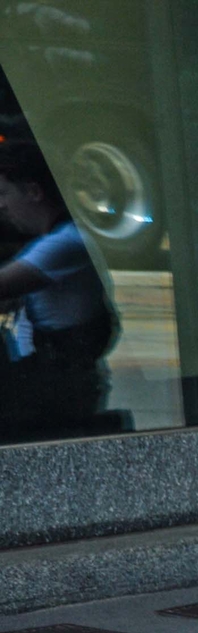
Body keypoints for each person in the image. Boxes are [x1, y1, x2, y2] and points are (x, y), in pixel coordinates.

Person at [0, 147, 113, 442]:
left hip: (60, 390)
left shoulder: (65, 242)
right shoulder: (56, 240)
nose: (2, 206)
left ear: (34, 192)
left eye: (4, 193)